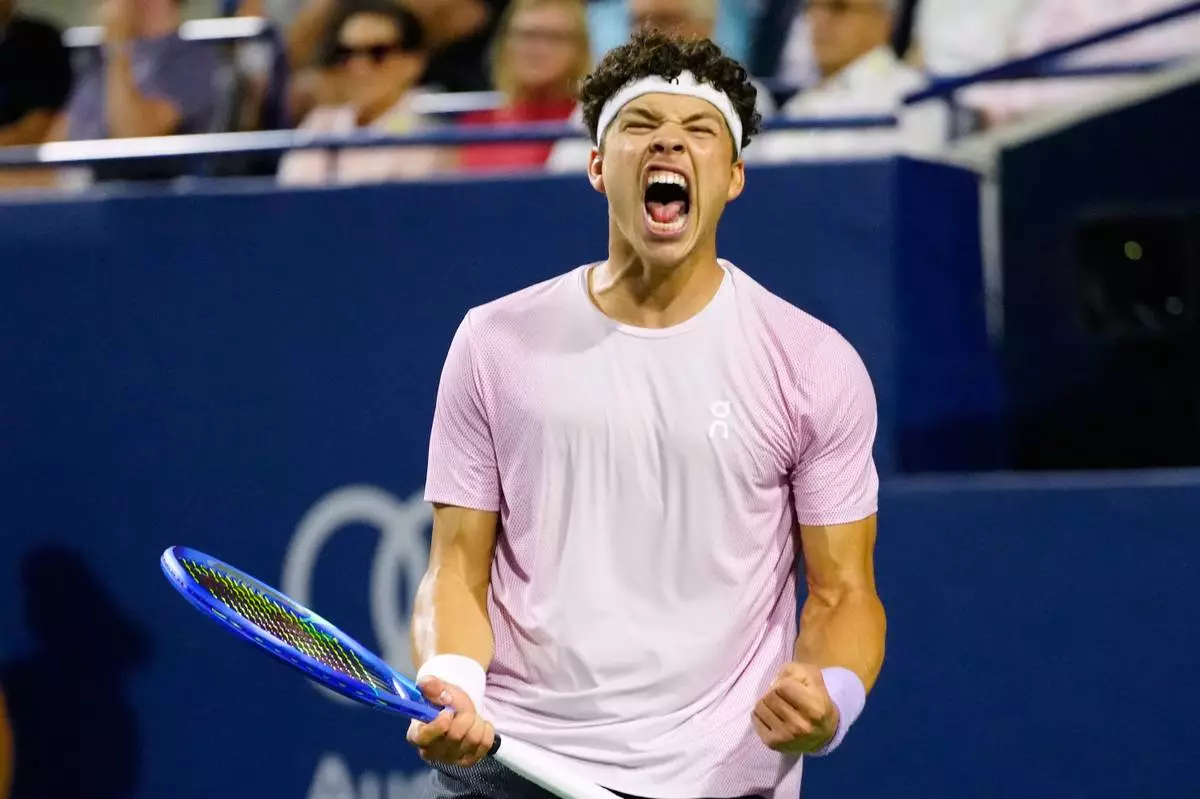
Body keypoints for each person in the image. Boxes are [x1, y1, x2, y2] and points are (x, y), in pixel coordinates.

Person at [409, 29, 886, 799]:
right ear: (599, 165)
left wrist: (830, 698)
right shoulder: (493, 342)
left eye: (700, 129)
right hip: (517, 764)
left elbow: (844, 593)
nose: (669, 141)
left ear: (733, 175)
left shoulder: (812, 362)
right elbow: (456, 568)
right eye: (641, 124)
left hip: (716, 780)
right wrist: (454, 680)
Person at [277, 0, 446, 185]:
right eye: (346, 53)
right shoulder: (323, 122)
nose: (358, 66)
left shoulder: (430, 124)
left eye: (377, 53)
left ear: (414, 62)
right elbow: (292, 191)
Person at [755, 0, 944, 161]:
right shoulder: (798, 106)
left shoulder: (913, 97)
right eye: (812, 7)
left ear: (884, 20)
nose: (820, 20)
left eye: (839, 8)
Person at [456, 0, 589, 173]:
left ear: (580, 49)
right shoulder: (474, 124)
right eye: (527, 35)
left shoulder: (588, 122)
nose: (537, 49)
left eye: (554, 37)